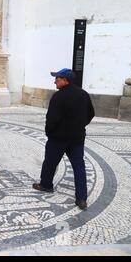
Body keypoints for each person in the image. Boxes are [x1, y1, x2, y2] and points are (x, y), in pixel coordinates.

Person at [33, 68, 95, 211]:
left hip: (58, 138)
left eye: (57, 78)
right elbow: (91, 113)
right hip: (77, 138)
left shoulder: (58, 96)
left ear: (65, 80)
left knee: (50, 162)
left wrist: (49, 132)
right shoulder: (83, 94)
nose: (55, 81)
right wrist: (80, 125)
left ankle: (46, 185)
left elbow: (51, 119)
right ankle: (81, 198)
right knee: (79, 167)